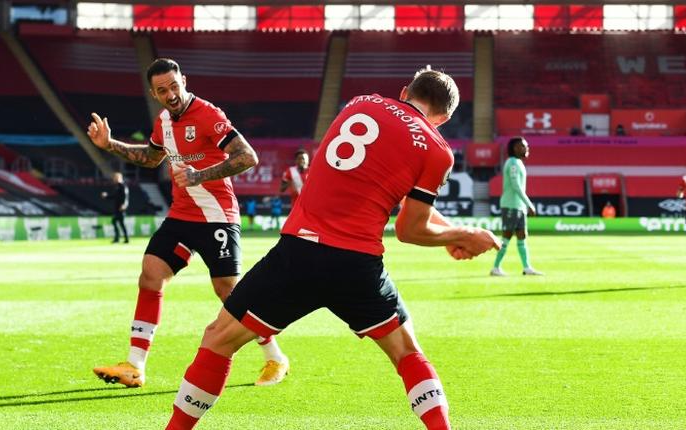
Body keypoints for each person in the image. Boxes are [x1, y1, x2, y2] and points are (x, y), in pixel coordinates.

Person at [163, 68, 500, 430]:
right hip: (356, 265)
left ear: (404, 92)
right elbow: (409, 229)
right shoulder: (437, 150)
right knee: (407, 354)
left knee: (218, 340)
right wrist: (463, 234)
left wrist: (451, 232)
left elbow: (379, 178)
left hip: (299, 254)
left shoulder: (362, 102)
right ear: (445, 118)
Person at [86, 58, 289, 388]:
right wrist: (109, 144)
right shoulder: (163, 121)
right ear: (154, 94)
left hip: (217, 215)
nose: (171, 94)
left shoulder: (209, 114)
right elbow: (151, 158)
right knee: (151, 274)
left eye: (175, 86)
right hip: (181, 215)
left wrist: (199, 176)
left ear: (184, 81)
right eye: (163, 90)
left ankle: (275, 357)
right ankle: (135, 365)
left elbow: (247, 156)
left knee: (229, 292)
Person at [491, 136, 544, 277]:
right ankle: (495, 268)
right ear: (515, 148)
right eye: (523, 146)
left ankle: (527, 267)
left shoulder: (518, 163)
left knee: (522, 236)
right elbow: (516, 186)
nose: (527, 148)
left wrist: (524, 205)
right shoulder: (513, 163)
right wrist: (529, 203)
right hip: (510, 205)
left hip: (518, 206)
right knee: (507, 236)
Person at [102, 171, 129, 243]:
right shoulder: (118, 186)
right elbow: (114, 196)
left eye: (115, 177)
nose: (113, 179)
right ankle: (124, 239)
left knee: (117, 222)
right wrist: (106, 196)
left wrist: (124, 205)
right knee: (119, 223)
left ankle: (120, 239)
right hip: (118, 208)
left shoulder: (123, 186)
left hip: (121, 208)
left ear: (119, 178)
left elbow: (126, 197)